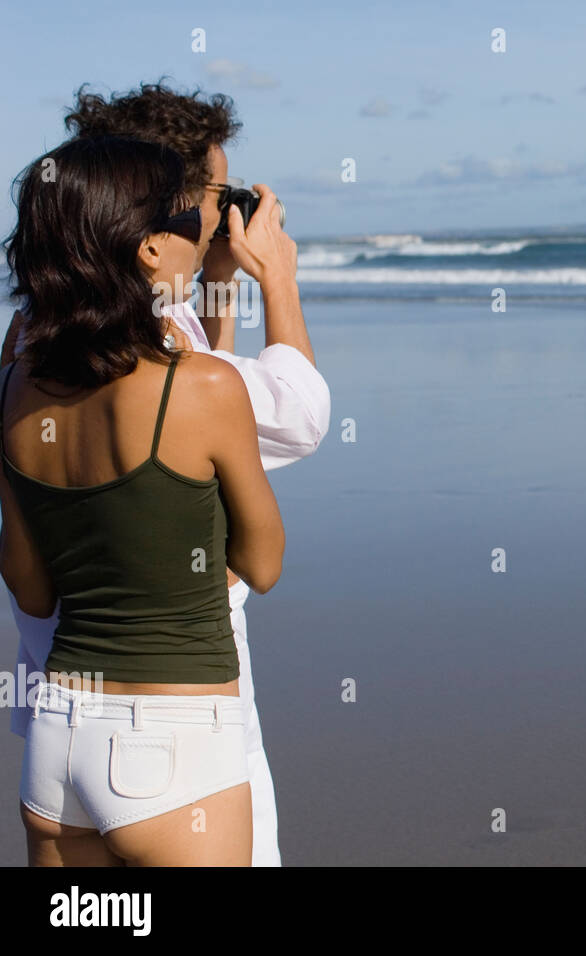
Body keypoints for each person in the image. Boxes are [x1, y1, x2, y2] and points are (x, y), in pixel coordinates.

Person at [3, 82, 329, 867]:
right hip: (180, 742)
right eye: (197, 210)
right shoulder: (204, 387)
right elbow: (263, 558)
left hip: (57, 744)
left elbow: (31, 582)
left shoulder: (18, 377)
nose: (212, 220)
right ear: (150, 242)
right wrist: (274, 276)